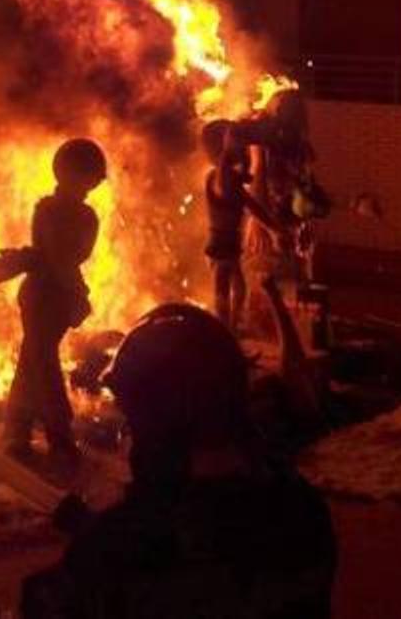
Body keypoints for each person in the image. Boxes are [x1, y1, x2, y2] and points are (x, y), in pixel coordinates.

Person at [20, 302, 337, 618]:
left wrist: (101, 540)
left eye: (134, 421)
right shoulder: (302, 510)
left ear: (157, 423)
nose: (131, 438)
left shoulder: (118, 550)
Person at [0, 137, 107, 462]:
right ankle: (53, 433)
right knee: (40, 360)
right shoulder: (47, 209)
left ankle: (20, 432)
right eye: (86, 176)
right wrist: (28, 260)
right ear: (65, 174)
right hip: (42, 295)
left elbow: (66, 256)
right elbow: (53, 254)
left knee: (35, 359)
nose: (89, 184)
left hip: (57, 296)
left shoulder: (86, 217)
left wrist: (27, 260)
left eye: (92, 178)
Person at [202, 120, 276, 335]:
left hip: (229, 241)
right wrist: (275, 229)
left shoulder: (225, 177)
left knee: (237, 285)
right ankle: (224, 330)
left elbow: (246, 184)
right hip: (222, 242)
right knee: (224, 286)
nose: (242, 149)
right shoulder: (221, 179)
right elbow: (252, 206)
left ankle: (231, 327)